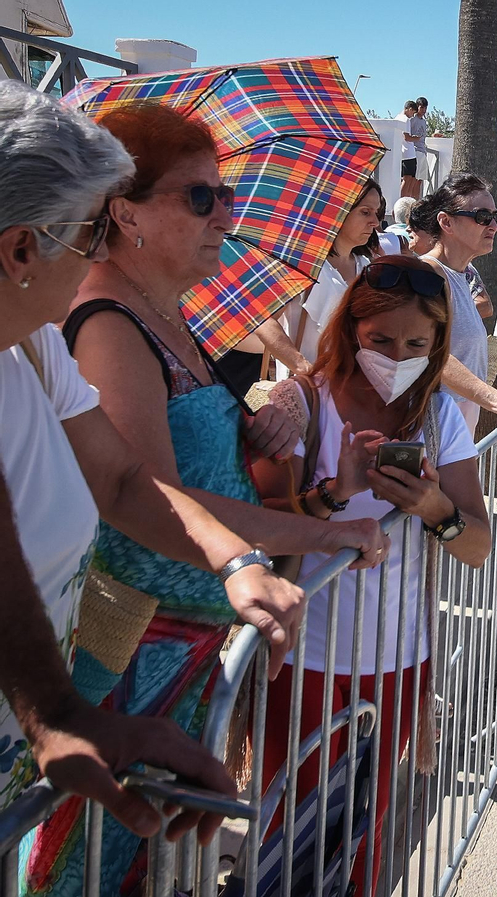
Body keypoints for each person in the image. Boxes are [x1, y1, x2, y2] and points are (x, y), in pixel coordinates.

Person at [37, 100, 390, 897]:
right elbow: (143, 497)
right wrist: (287, 546)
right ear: (123, 212)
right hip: (130, 661)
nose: (225, 213)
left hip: (185, 659)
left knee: (157, 865)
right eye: (201, 197)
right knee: (91, 868)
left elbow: (195, 471)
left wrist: (282, 431)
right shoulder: (106, 324)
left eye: (225, 195)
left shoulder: (169, 316)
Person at [0, 79, 298, 854]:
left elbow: (125, 480)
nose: (101, 252)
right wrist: (56, 712)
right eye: (92, 230)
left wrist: (237, 560)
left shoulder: (30, 345)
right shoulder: (86, 324)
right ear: (21, 249)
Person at [252, 254, 491, 891]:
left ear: (439, 344)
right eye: (381, 340)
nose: (397, 354)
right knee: (293, 835)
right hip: (305, 658)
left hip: (398, 657)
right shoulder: (300, 401)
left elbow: (478, 544)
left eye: (417, 343)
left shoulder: (438, 419)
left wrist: (433, 507)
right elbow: (260, 521)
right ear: (351, 328)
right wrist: (335, 492)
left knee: (366, 827)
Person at [409, 175, 497, 431]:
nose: (493, 225)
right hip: (431, 413)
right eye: (482, 216)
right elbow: (433, 353)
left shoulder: (463, 271)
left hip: (459, 410)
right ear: (446, 221)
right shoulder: (428, 274)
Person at [242, 181, 383, 382]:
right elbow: (264, 320)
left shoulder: (367, 266)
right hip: (308, 394)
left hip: (352, 391)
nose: (375, 222)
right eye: (365, 212)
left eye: (376, 212)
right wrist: (303, 367)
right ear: (338, 213)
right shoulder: (303, 264)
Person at [399, 100, 422, 200]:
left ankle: (405, 200)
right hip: (408, 153)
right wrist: (416, 138)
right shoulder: (406, 119)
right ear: (409, 109)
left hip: (403, 153)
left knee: (409, 179)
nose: (412, 116)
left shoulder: (398, 118)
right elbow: (406, 137)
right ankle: (402, 200)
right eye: (412, 112)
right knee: (408, 179)